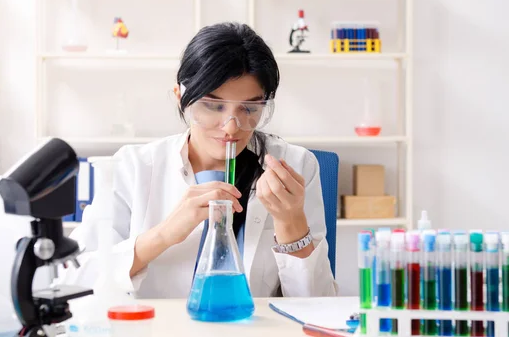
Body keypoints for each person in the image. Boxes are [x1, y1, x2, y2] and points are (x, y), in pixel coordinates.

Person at [66, 22, 338, 298]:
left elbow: (319, 305)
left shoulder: (295, 165)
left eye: (248, 108)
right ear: (181, 98)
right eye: (213, 106)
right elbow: (75, 278)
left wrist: (290, 222)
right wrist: (164, 235)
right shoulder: (132, 167)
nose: (231, 127)